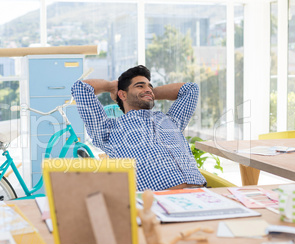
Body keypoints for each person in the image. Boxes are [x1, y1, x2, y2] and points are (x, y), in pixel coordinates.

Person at [71, 65, 206, 191]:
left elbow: (190, 89)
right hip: (163, 201)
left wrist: (147, 94)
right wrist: (112, 87)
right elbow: (81, 88)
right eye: (140, 86)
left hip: (203, 193)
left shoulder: (171, 121)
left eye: (150, 87)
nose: (148, 89)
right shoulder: (109, 130)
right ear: (122, 94)